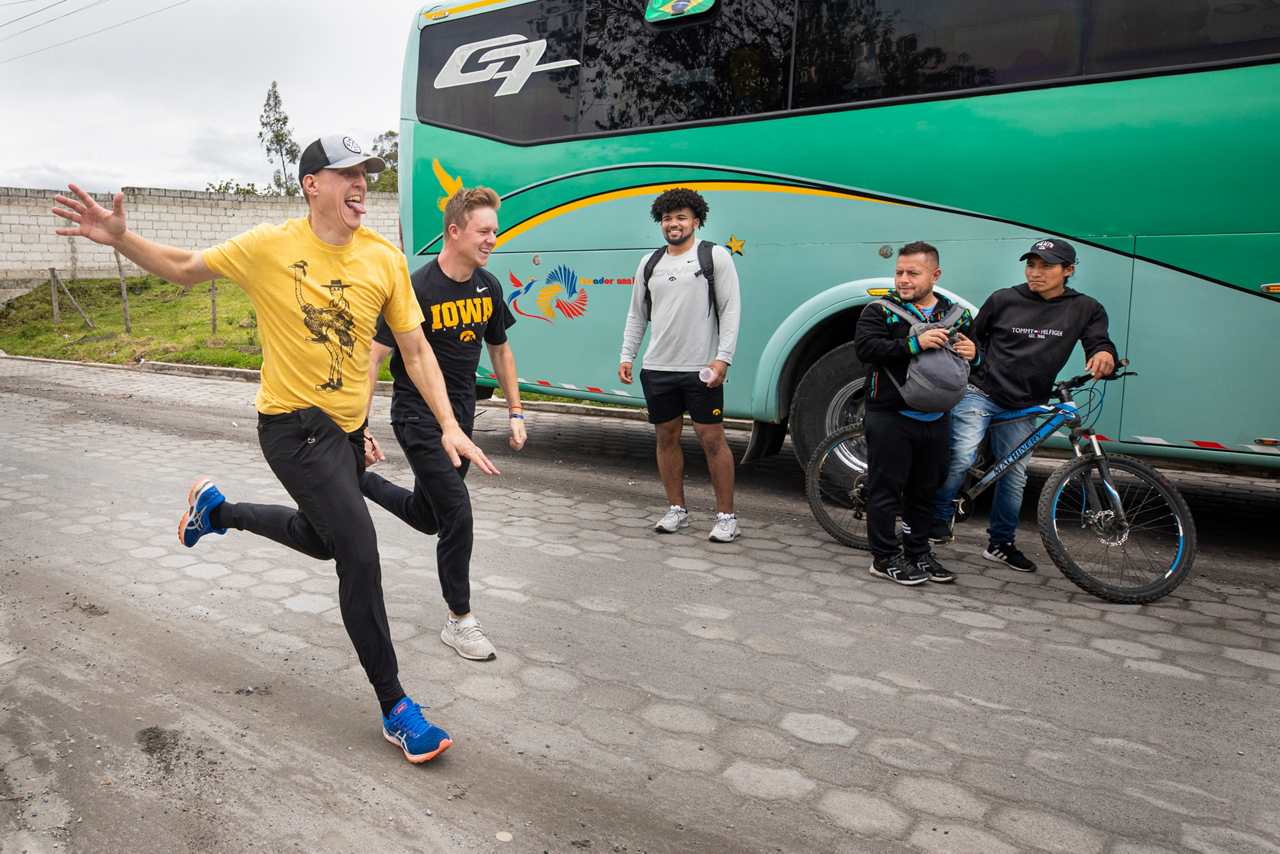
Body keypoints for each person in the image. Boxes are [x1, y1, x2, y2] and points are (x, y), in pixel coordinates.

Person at [52, 135, 498, 765]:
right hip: (291, 428)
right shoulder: (269, 246)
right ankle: (397, 707)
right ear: (311, 184)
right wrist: (121, 239)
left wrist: (448, 423)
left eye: (365, 173)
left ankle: (217, 511)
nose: (361, 184)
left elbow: (414, 349)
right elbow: (184, 266)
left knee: (323, 540)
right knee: (359, 552)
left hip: (343, 434)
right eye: (346, 173)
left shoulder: (384, 259)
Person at [360, 186, 524, 662]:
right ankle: (460, 621)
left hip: (462, 419)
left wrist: (515, 411)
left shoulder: (488, 286)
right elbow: (373, 359)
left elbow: (500, 351)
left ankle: (358, 480)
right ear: (454, 231)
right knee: (457, 513)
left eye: (495, 231)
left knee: (428, 515)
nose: (492, 239)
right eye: (483, 231)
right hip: (417, 416)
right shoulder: (415, 289)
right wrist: (360, 425)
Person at [930, 238, 1117, 571]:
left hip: (1026, 402)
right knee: (961, 455)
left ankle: (1001, 543)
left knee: (1014, 475)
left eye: (1046, 266)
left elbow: (1098, 340)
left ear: (1068, 270)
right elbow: (972, 338)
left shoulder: (1085, 308)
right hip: (981, 391)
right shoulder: (1004, 299)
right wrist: (970, 353)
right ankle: (937, 517)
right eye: (1031, 265)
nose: (1035, 272)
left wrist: (1104, 353)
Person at [619, 188, 742, 542]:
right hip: (658, 367)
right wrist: (628, 355)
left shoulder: (714, 256)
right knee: (666, 438)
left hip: (701, 368)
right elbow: (637, 314)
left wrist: (723, 358)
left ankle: (727, 517)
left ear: (696, 221)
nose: (673, 224)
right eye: (667, 219)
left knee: (712, 440)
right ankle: (677, 510)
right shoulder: (650, 263)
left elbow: (730, 309)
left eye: (681, 218)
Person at [854, 242, 979, 585]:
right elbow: (865, 349)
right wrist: (914, 344)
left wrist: (975, 353)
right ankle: (883, 558)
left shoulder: (958, 315)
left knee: (925, 491)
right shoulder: (880, 311)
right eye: (899, 272)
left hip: (936, 418)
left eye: (913, 273)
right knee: (886, 490)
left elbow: (977, 358)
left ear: (935, 275)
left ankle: (917, 553)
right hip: (890, 415)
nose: (903, 280)